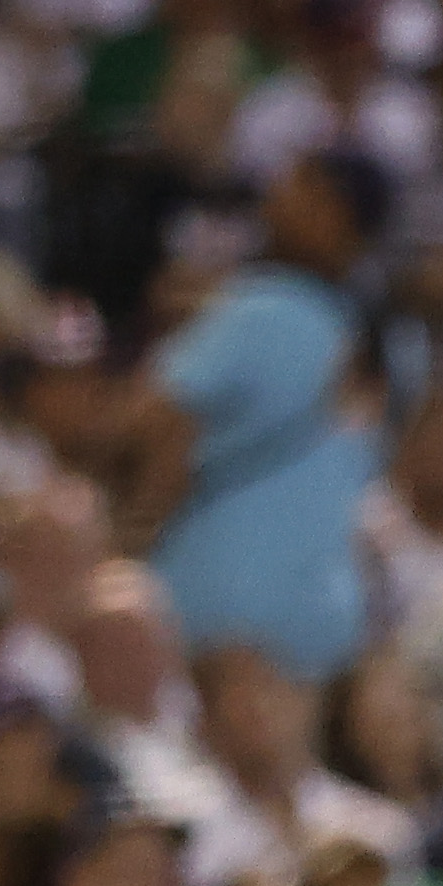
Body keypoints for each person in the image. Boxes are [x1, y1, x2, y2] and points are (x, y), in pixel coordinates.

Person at [130, 152, 390, 682]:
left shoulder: (264, 307)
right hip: (328, 625)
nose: (276, 198)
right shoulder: (391, 343)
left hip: (214, 614)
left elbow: (144, 418)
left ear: (334, 214)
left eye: (300, 189)